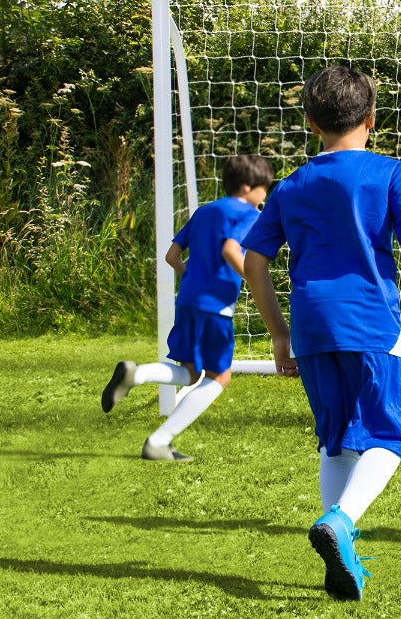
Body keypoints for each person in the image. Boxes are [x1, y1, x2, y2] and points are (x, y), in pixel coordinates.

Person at [242, 65, 401, 601]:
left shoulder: (290, 187)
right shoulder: (388, 173)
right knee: (385, 439)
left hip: (311, 326)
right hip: (369, 322)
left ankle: (343, 556)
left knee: (336, 441)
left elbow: (254, 260)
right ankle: (339, 521)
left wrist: (279, 333)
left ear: (311, 123)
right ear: (372, 120)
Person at [101, 153, 277, 462]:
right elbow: (230, 249)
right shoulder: (249, 213)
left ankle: (136, 374)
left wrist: (191, 276)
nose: (266, 194)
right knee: (219, 376)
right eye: (265, 188)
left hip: (188, 301)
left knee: (191, 373)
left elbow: (171, 256)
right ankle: (159, 440)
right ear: (249, 187)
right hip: (215, 308)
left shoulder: (204, 211)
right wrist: (251, 277)